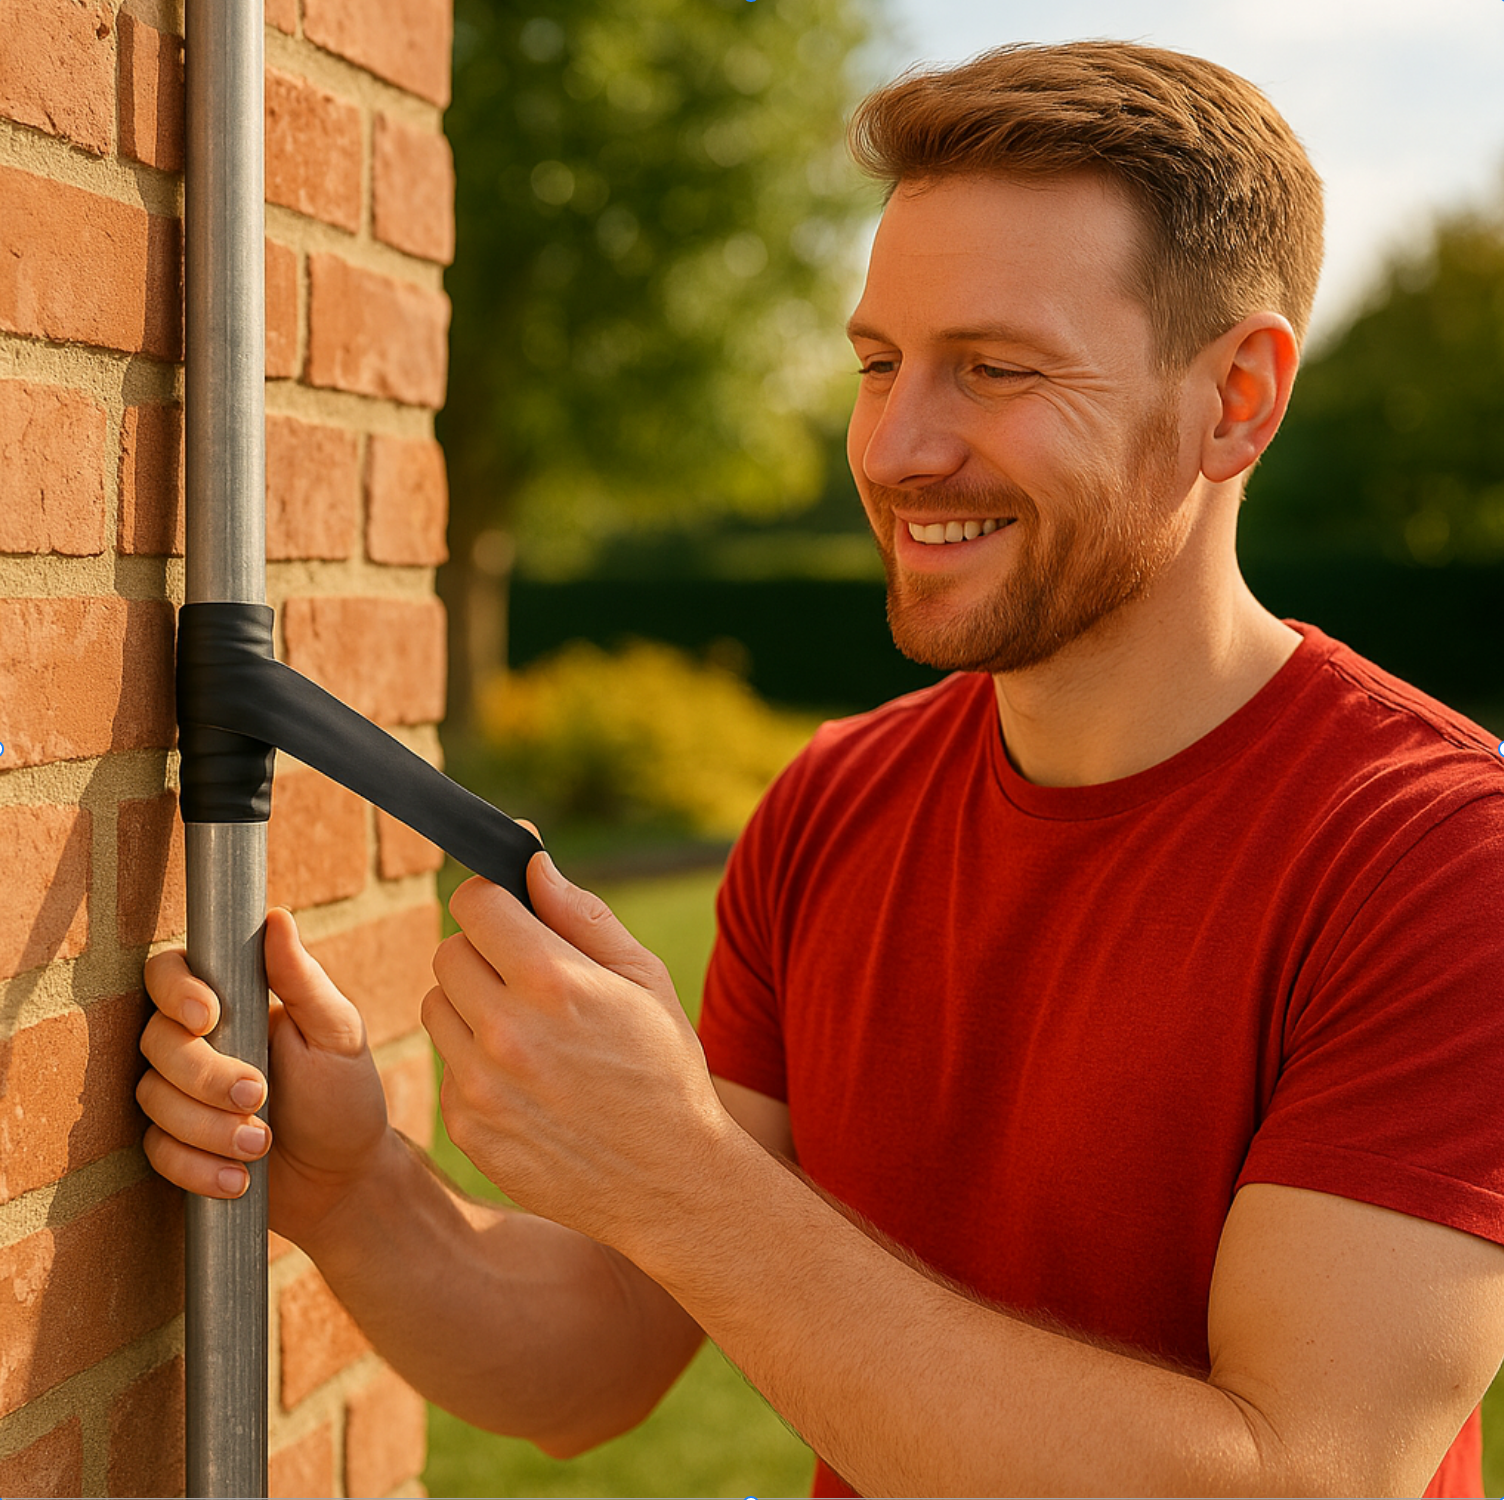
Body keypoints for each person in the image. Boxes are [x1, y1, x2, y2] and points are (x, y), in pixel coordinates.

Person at [139, 40, 1504, 1497]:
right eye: (877, 363)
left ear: (1237, 396)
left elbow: (1306, 1478)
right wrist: (358, 1192)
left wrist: (685, 1176)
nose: (898, 445)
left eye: (994, 369)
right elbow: (599, 1352)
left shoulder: (1437, 859)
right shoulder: (837, 807)